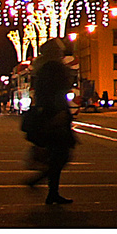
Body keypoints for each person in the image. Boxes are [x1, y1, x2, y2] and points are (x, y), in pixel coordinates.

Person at [22, 38, 78, 205]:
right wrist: (60, 112)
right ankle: (48, 188)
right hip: (56, 114)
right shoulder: (54, 68)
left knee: (56, 154)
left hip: (48, 113)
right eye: (59, 50)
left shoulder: (41, 68)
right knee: (61, 154)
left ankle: (50, 189)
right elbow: (57, 91)